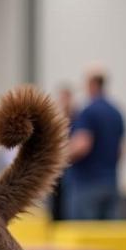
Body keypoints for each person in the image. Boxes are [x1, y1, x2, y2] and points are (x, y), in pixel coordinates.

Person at [66, 66, 125, 220]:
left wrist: (59, 156)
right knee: (107, 239)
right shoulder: (116, 112)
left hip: (86, 185)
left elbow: (82, 145)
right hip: (111, 183)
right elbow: (121, 151)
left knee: (85, 238)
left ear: (91, 84)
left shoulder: (88, 112)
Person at [49, 84, 75, 220]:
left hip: (70, 175)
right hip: (56, 176)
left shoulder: (78, 121)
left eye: (67, 98)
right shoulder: (53, 124)